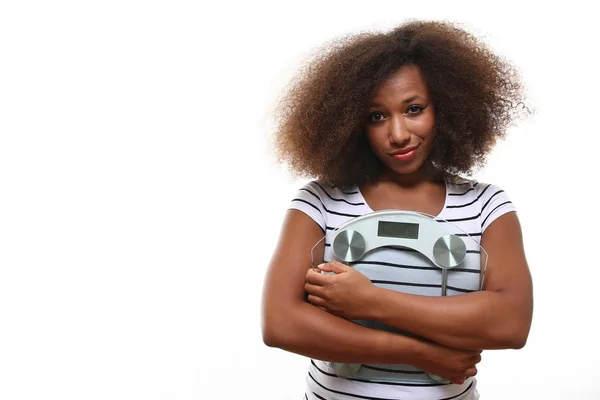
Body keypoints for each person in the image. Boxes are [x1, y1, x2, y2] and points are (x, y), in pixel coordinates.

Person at [261, 20, 533, 400]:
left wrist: (371, 302)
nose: (399, 134)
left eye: (414, 108)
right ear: (352, 122)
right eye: (377, 116)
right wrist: (419, 353)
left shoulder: (486, 205)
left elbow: (511, 323)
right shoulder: (320, 201)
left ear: (447, 107)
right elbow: (280, 324)